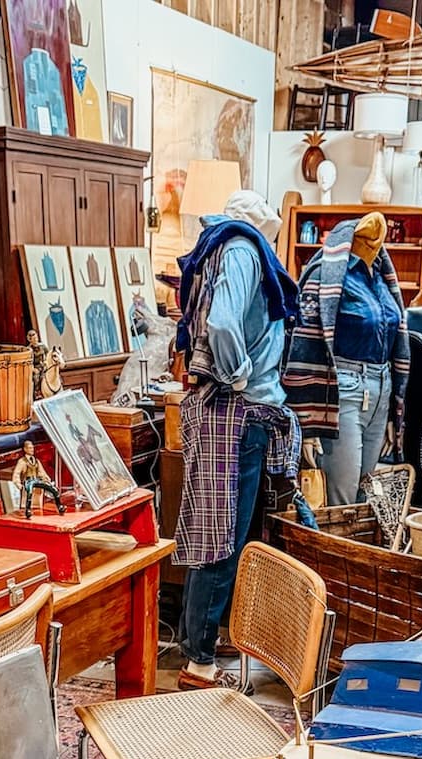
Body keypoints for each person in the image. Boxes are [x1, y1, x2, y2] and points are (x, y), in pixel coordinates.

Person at [174, 189, 302, 690]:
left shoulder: (222, 247)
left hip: (231, 412)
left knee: (216, 533)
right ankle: (199, 665)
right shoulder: (245, 249)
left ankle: (200, 641)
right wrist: (240, 373)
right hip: (238, 410)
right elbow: (223, 324)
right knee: (221, 540)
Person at [283, 212, 410, 506]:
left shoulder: (380, 277)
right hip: (343, 390)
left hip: (381, 389)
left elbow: (396, 338)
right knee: (343, 498)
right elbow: (304, 343)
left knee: (367, 496)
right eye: (367, 238)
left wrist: (393, 409)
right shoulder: (326, 274)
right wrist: (308, 423)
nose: (374, 242)